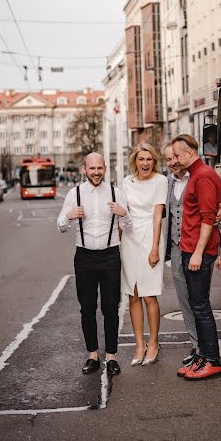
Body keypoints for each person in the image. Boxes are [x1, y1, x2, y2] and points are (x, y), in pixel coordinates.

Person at [57, 152, 132, 376]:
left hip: (110, 256)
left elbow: (128, 227)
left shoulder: (116, 193)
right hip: (84, 257)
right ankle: (92, 355)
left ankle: (111, 357)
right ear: (84, 169)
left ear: (105, 169)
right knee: (87, 308)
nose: (96, 172)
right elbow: (60, 226)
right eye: (92, 169)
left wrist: (124, 214)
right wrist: (69, 216)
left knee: (111, 308)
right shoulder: (75, 194)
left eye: (100, 168)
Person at [171, 134, 221, 381]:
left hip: (198, 252)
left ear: (188, 152)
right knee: (197, 307)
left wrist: (197, 253)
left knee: (201, 307)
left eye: (176, 155)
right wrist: (219, 209)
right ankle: (203, 356)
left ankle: (213, 361)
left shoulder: (204, 176)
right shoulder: (197, 175)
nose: (174, 159)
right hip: (188, 249)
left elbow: (209, 218)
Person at [120, 143, 168, 366]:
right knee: (133, 294)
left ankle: (154, 342)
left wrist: (155, 248)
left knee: (149, 295)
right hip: (129, 239)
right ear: (135, 161)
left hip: (150, 236)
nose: (145, 163)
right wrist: (116, 242)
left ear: (154, 161)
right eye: (141, 159)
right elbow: (123, 214)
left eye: (149, 159)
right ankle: (139, 344)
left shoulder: (161, 181)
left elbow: (157, 216)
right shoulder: (126, 182)